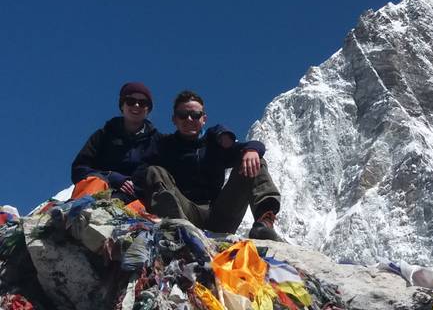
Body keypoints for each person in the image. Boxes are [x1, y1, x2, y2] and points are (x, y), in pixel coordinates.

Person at [134, 90, 282, 240]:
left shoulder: (215, 145)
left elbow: (254, 145)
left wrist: (252, 149)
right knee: (154, 171)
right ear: (174, 119)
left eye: (195, 115)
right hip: (183, 211)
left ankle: (264, 222)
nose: (189, 119)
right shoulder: (164, 146)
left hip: (219, 214)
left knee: (253, 159)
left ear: (204, 118)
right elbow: (140, 170)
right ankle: (177, 228)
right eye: (183, 115)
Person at [71, 82, 160, 205]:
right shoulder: (103, 135)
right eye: (130, 101)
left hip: (136, 201)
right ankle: (79, 214)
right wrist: (112, 177)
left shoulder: (157, 142)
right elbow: (79, 169)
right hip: (99, 193)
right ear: (122, 105)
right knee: (93, 182)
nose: (137, 105)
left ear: (148, 109)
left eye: (143, 103)